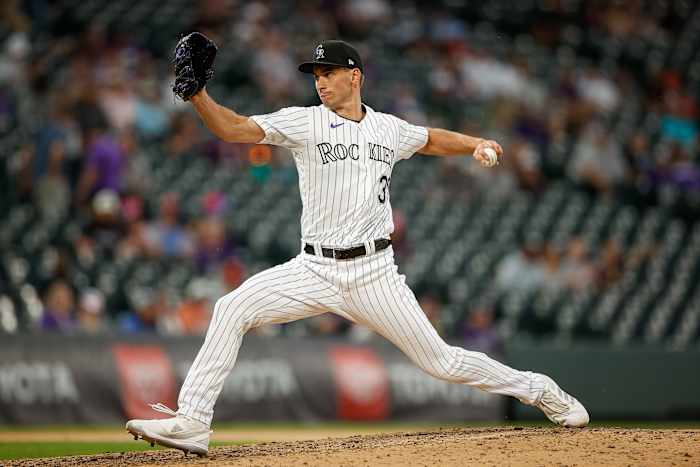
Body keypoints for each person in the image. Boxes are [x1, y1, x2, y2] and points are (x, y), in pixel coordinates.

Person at [126, 39, 588, 457]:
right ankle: (193, 423)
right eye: (316, 75)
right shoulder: (304, 122)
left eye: (328, 73)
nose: (320, 81)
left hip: (375, 273)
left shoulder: (387, 129)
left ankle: (539, 389)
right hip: (312, 269)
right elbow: (234, 129)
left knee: (442, 362)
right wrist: (198, 97)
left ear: (355, 76)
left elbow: (430, 138)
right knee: (231, 308)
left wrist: (476, 144)